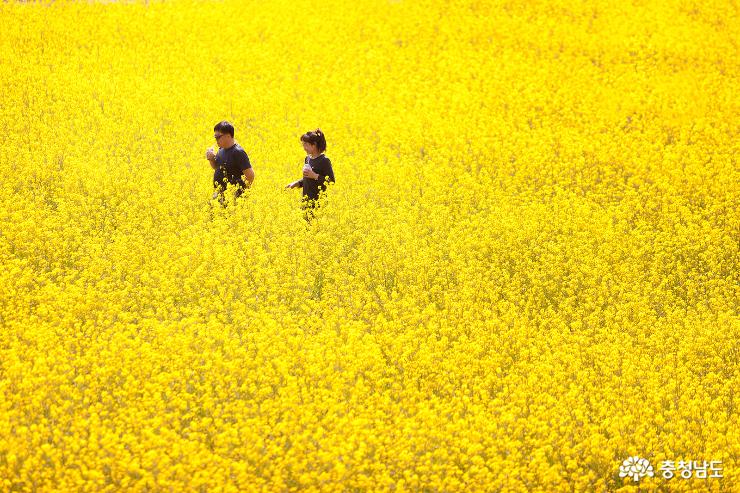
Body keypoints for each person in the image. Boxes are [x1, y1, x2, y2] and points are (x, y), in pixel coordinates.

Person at [285, 129, 335, 216]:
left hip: (318, 203)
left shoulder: (324, 161)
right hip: (306, 202)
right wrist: (298, 183)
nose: (304, 148)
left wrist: (315, 176)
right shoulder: (307, 159)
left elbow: (331, 181)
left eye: (306, 145)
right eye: (303, 145)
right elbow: (308, 178)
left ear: (314, 145)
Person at [206, 121, 255, 202]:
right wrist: (211, 159)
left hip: (232, 197)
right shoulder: (221, 149)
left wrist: (241, 194)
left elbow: (250, 175)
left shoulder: (238, 152)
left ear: (228, 136)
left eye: (218, 137)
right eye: (215, 137)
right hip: (219, 194)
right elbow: (216, 167)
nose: (216, 140)